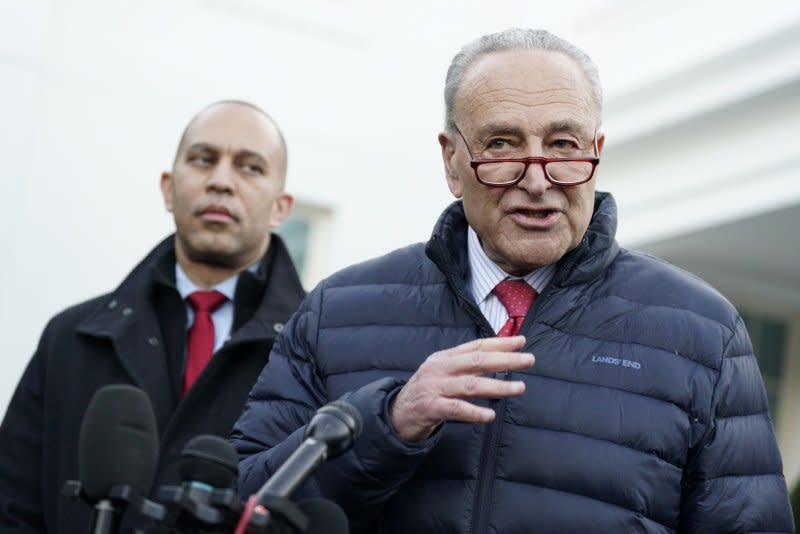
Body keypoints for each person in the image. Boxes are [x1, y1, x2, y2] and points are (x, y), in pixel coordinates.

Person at [231, 29, 795, 533]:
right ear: (452, 162)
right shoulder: (337, 312)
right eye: (501, 144)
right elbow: (240, 508)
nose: (537, 179)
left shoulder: (705, 333)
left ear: (596, 154)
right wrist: (389, 422)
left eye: (563, 145)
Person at [0, 100, 306, 532]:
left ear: (281, 206)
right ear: (168, 187)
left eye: (250, 167)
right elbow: (13, 509)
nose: (221, 181)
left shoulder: (315, 355)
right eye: (203, 160)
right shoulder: (70, 340)